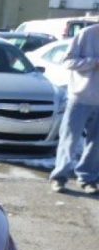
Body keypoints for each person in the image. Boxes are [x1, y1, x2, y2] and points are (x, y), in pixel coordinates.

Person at [49, 22, 99, 195]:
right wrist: (93, 62)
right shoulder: (87, 34)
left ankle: (87, 179)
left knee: (96, 145)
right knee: (69, 140)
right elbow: (68, 61)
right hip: (80, 98)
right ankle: (59, 177)